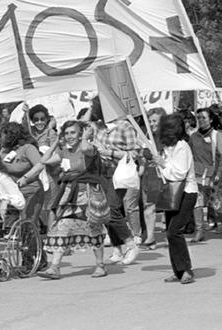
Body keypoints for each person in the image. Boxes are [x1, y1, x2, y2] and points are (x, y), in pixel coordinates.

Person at [37, 121, 108, 279]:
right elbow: (44, 161)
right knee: (62, 226)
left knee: (93, 228)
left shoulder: (90, 149)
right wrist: (56, 142)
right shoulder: (64, 152)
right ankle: (54, 267)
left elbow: (84, 148)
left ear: (81, 134)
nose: (69, 136)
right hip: (70, 195)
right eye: (67, 133)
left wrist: (85, 137)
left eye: (73, 133)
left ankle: (100, 265)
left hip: (88, 194)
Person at [87, 96, 140, 265]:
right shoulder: (99, 127)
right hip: (101, 172)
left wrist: (109, 152)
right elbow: (82, 123)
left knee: (113, 208)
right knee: (104, 212)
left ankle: (130, 243)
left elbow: (134, 154)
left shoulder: (125, 127)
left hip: (119, 172)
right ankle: (117, 248)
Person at [153, 113, 196, 284]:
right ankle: (178, 270)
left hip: (186, 192)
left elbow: (179, 172)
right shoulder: (167, 148)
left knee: (174, 230)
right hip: (171, 192)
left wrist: (163, 164)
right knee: (170, 233)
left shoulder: (182, 146)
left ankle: (186, 269)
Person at [188, 108, 222, 243]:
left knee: (216, 204)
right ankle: (200, 231)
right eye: (198, 117)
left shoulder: (218, 136)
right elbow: (189, 155)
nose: (200, 120)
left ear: (211, 119)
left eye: (204, 117)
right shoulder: (193, 136)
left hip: (213, 175)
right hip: (197, 175)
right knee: (197, 203)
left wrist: (219, 174)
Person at [0, 122, 45, 225]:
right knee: (9, 226)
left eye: (3, 135)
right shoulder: (4, 151)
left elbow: (40, 165)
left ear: (11, 135)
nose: (1, 138)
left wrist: (26, 178)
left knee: (26, 225)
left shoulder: (28, 148)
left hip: (31, 192)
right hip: (12, 194)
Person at [140, 107, 166, 249]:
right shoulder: (147, 135)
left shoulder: (169, 136)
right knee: (148, 206)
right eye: (150, 121)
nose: (152, 124)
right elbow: (144, 153)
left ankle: (170, 234)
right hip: (149, 174)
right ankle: (150, 237)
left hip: (164, 173)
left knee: (168, 205)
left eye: (155, 120)